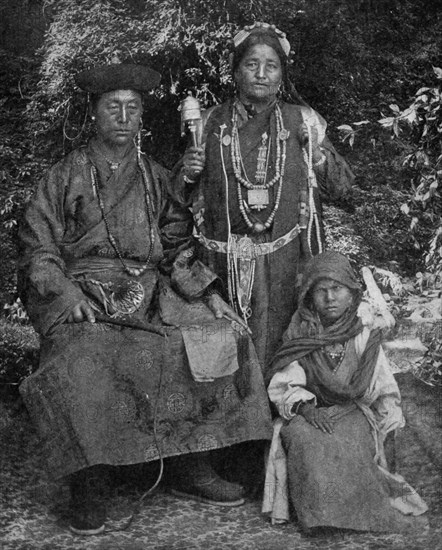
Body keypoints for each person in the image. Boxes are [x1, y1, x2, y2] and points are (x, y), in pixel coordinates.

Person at [18, 63, 273, 536]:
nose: (122, 116)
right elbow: (38, 247)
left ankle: (191, 463)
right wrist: (66, 292)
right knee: (82, 355)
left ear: (142, 119)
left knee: (216, 334)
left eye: (132, 109)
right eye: (112, 107)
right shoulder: (63, 176)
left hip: (153, 288)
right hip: (88, 293)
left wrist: (209, 294)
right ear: (93, 115)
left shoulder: (155, 176)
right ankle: (90, 480)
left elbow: (176, 245)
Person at [172, 22, 354, 371]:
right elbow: (177, 199)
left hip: (285, 264)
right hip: (220, 264)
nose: (261, 73)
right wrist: (188, 173)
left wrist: (314, 152)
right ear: (236, 71)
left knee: (282, 359)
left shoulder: (303, 121)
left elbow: (341, 185)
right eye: (251, 64)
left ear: (282, 75)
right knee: (225, 367)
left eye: (271, 66)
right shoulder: (210, 123)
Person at [262, 251, 428, 533]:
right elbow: (285, 379)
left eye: (337, 289)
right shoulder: (300, 330)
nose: (330, 298)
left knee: (348, 439)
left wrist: (389, 422)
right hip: (308, 411)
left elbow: (382, 385)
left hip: (354, 410)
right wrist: (307, 410)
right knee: (304, 439)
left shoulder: (364, 331)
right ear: (309, 296)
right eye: (321, 291)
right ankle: (318, 517)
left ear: (352, 294)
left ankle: (353, 513)